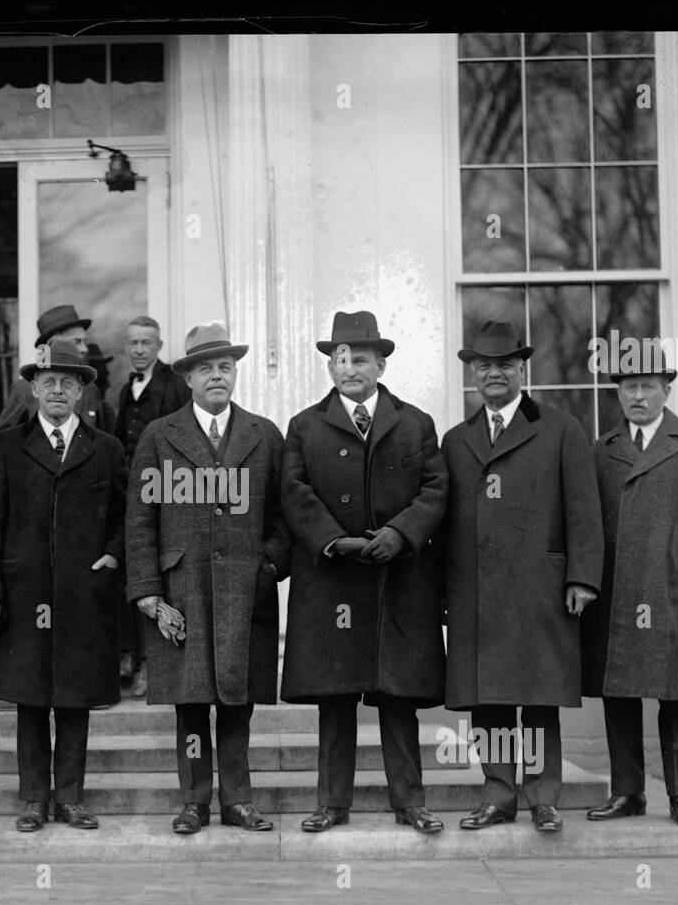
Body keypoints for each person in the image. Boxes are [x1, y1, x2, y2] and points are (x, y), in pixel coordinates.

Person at [281, 311, 448, 833]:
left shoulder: (415, 423)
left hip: (398, 580)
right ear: (330, 368)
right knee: (335, 699)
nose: (349, 367)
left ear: (380, 364)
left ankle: (409, 803)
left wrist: (398, 535)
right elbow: (294, 490)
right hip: (332, 581)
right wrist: (332, 539)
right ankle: (333, 804)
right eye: (340, 359)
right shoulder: (304, 426)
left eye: (360, 358)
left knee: (398, 697)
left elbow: (435, 489)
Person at [126, 321, 291, 835]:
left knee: (238, 700)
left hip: (247, 586)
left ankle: (238, 800)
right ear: (189, 379)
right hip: (184, 588)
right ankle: (195, 800)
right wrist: (149, 590)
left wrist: (269, 566)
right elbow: (140, 518)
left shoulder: (264, 435)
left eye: (225, 367)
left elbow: (284, 516)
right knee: (192, 700)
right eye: (205, 369)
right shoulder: (160, 435)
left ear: (235, 373)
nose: (216, 376)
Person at [441, 320, 603, 833]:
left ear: (521, 369)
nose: (494, 374)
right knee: (488, 699)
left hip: (539, 586)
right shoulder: (457, 440)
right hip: (478, 592)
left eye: (504, 365)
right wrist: (446, 594)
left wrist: (582, 578)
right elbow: (445, 527)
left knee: (536, 698)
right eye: (484, 366)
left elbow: (584, 511)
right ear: (472, 372)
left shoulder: (560, 429)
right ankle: (497, 795)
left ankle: (542, 797)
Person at [0, 341, 128, 832]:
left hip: (86, 592)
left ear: (81, 390)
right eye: (48, 381)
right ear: (33, 388)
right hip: (25, 594)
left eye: (68, 382)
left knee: (77, 698)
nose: (57, 390)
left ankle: (71, 798)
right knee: (32, 698)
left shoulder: (106, 449)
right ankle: (35, 798)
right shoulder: (7, 446)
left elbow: (129, 517)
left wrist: (113, 555)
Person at [581, 342, 678, 826]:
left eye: (649, 386)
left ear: (667, 391)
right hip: (618, 594)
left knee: (675, 697)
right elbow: (583, 522)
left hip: (674, 594)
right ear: (618, 394)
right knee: (620, 696)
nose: (639, 397)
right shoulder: (602, 452)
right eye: (630, 387)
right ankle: (627, 793)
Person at [108, 315, 191, 700]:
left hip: (167, 490)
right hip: (132, 492)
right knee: (132, 570)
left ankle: (148, 663)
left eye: (146, 343)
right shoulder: (125, 390)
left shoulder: (175, 385)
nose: (139, 350)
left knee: (160, 577)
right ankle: (130, 655)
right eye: (133, 343)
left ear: (159, 346)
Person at [0, 305, 110, 433]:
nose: (84, 349)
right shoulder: (24, 390)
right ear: (53, 342)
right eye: (77, 341)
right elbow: (2, 442)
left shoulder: (90, 389)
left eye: (85, 342)